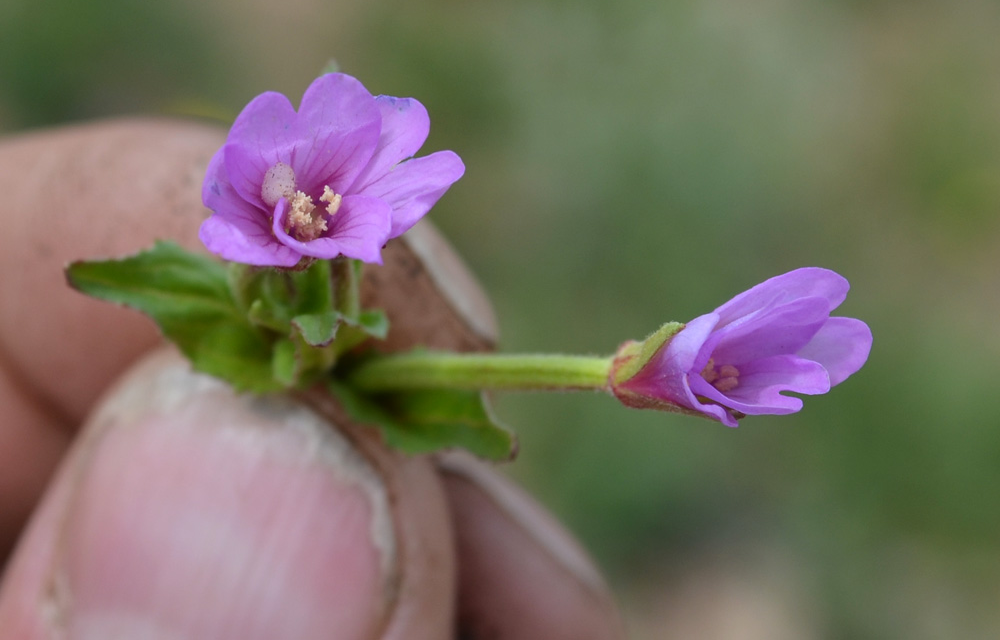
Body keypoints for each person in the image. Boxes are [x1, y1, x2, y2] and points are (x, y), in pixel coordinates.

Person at [0, 119, 624, 639]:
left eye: (314, 208)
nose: (304, 209)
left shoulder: (331, 244)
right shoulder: (257, 222)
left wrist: (318, 313)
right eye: (294, 204)